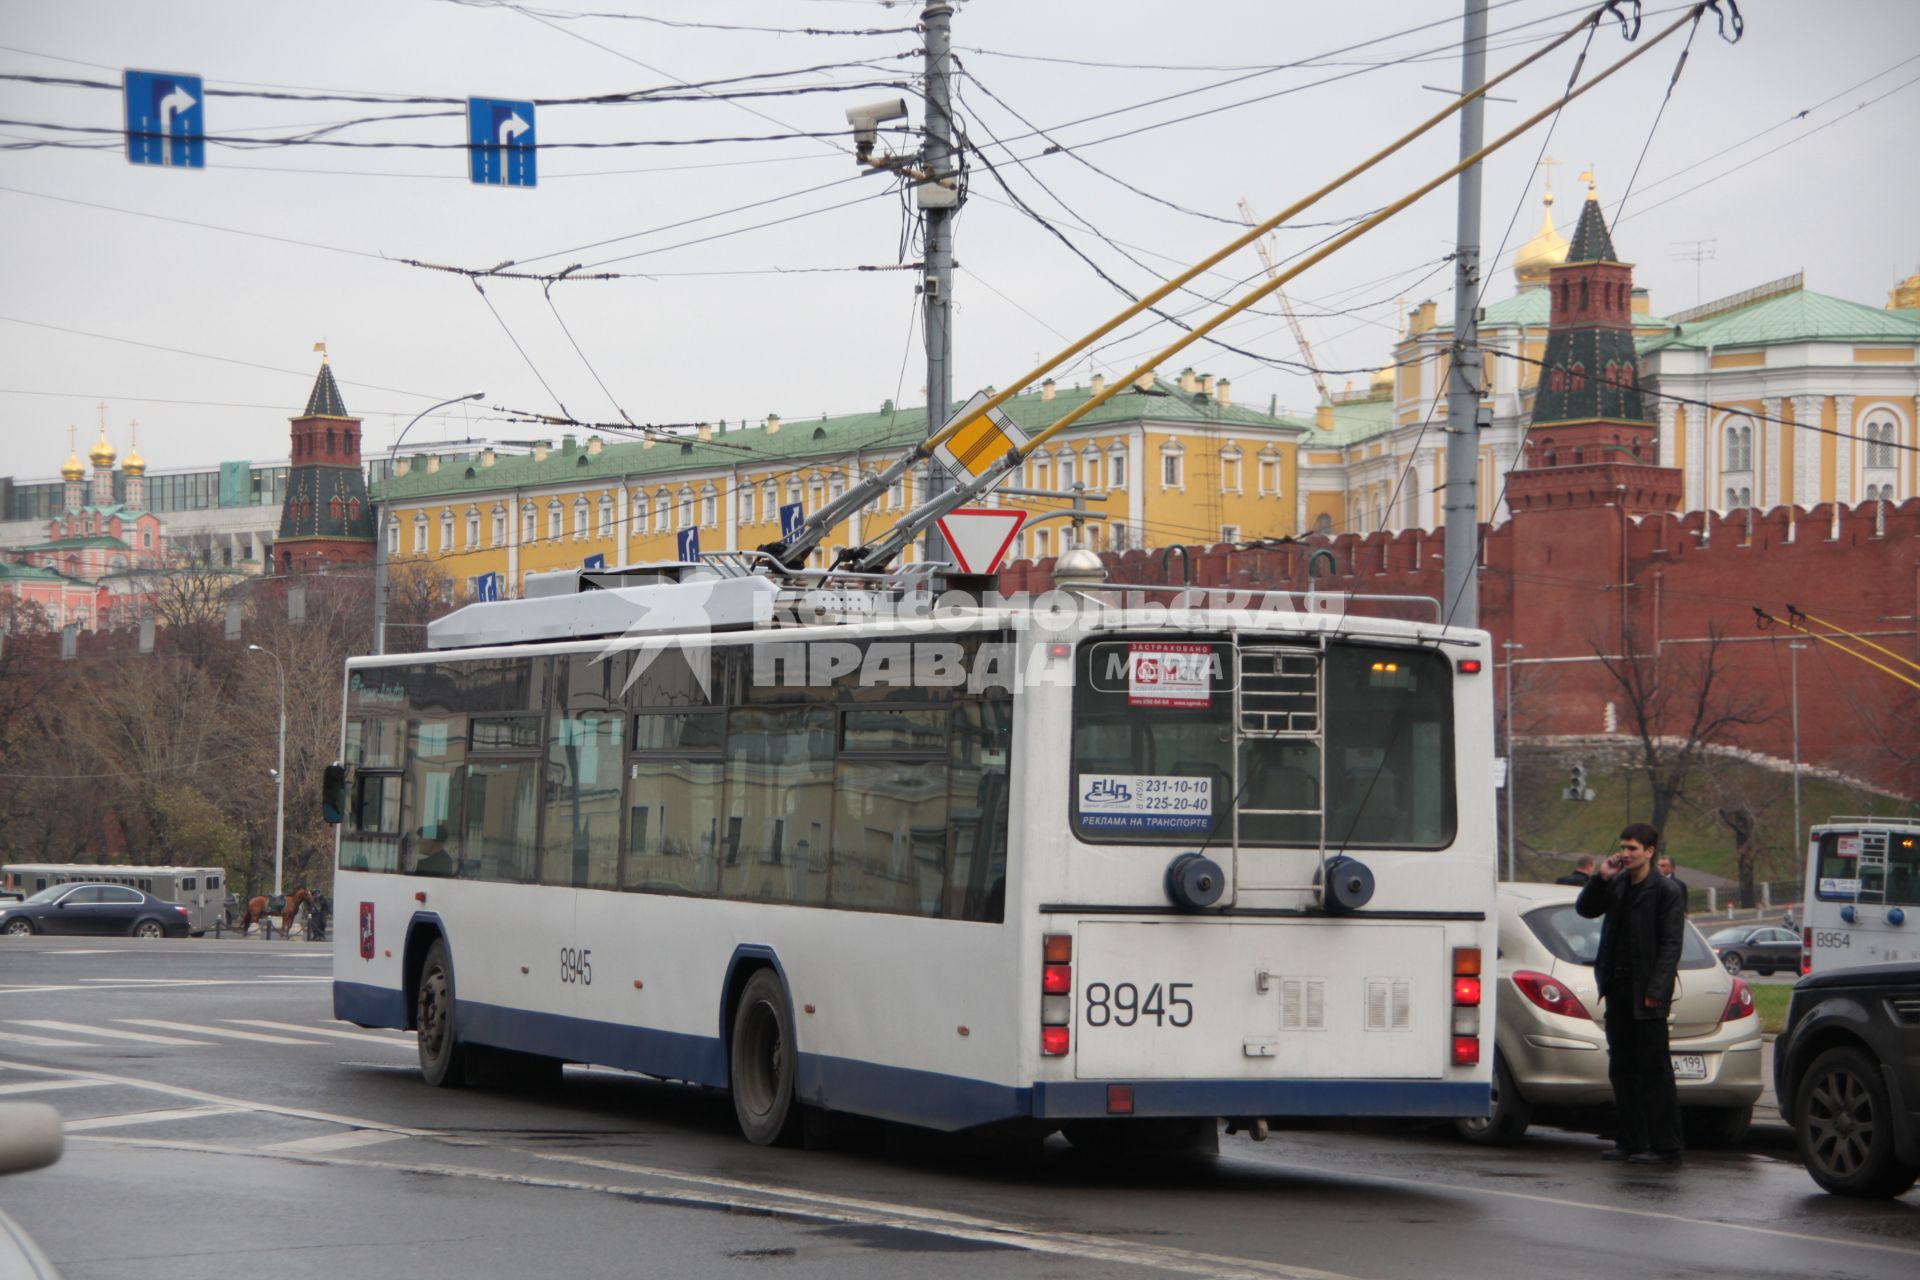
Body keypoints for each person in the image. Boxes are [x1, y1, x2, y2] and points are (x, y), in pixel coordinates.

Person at [1576, 823, 1686, 1166]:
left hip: (1647, 993)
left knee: (1654, 1071)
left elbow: (1671, 945)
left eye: (1633, 849)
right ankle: (1630, 1140)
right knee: (1621, 1069)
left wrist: (1656, 988)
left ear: (1650, 852)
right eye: (1623, 847)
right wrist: (1601, 878)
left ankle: (1666, 1146)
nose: (1625, 854)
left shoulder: (1666, 892)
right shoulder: (1619, 882)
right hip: (1618, 988)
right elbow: (1586, 909)